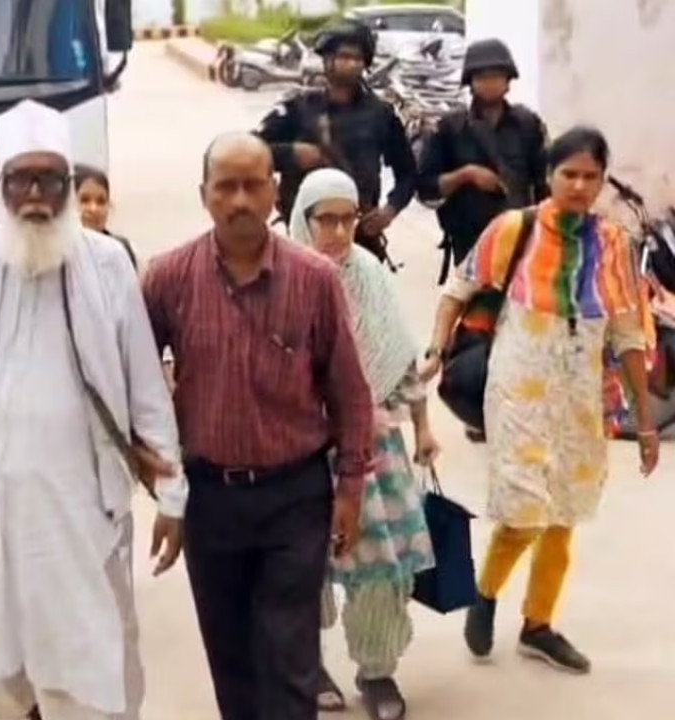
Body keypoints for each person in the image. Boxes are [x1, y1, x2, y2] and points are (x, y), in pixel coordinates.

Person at [0, 98, 186, 720]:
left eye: (49, 179)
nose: (36, 194)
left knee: (93, 655)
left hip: (83, 508)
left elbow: (144, 386)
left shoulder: (107, 263)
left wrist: (172, 495)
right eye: (22, 180)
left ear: (69, 186)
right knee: (5, 663)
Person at [142, 132, 375, 720]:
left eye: (253, 186)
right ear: (204, 195)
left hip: (295, 498)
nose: (241, 200)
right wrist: (162, 484)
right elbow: (134, 386)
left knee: (290, 658)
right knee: (232, 659)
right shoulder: (167, 278)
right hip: (210, 499)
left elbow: (350, 393)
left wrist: (351, 488)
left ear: (275, 191)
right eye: (226, 187)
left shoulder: (315, 279)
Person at [420, 126, 661, 674]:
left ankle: (538, 625)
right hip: (518, 393)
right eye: (568, 174)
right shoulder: (514, 229)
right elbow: (457, 290)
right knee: (525, 510)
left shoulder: (615, 244)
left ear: (602, 181)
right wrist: (436, 348)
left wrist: (645, 424)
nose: (578, 186)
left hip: (581, 401)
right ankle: (486, 594)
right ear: (549, 175)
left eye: (590, 176)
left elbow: (628, 335)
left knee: (565, 513)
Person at [287, 169, 438, 720]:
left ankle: (377, 671)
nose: (337, 231)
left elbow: (399, 355)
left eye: (347, 219)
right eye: (324, 219)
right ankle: (307, 665)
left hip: (372, 447)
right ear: (302, 219)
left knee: (381, 565)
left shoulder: (370, 273)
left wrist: (422, 427)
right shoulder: (284, 277)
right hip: (301, 450)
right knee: (301, 567)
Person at [416, 38, 549, 442]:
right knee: (477, 332)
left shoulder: (527, 125)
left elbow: (544, 184)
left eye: (497, 75)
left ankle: (521, 406)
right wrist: (466, 175)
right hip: (473, 242)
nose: (490, 82)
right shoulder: (449, 129)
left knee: (526, 328)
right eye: (482, 76)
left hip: (524, 242)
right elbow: (426, 186)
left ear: (509, 80)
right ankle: (479, 409)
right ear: (469, 80)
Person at [254, 20, 417, 270]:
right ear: (327, 60)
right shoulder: (299, 107)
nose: (352, 64)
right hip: (304, 237)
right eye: (344, 57)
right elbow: (249, 152)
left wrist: (389, 211)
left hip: (358, 235)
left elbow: (408, 173)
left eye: (357, 58)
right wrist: (292, 154)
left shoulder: (381, 114)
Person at [74, 164, 137, 268]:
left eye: (101, 201)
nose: (94, 209)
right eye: (84, 200)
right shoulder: (57, 253)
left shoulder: (120, 250)